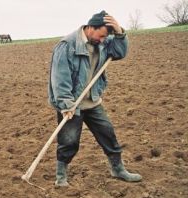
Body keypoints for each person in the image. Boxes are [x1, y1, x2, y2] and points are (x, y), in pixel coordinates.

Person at [48, 11, 142, 186]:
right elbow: (60, 79)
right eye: (101, 35)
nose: (102, 39)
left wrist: (120, 32)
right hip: (72, 103)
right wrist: (66, 104)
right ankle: (61, 176)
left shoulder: (103, 43)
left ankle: (118, 169)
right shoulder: (67, 45)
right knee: (69, 141)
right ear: (91, 27)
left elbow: (120, 52)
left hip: (92, 101)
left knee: (108, 134)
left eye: (106, 37)